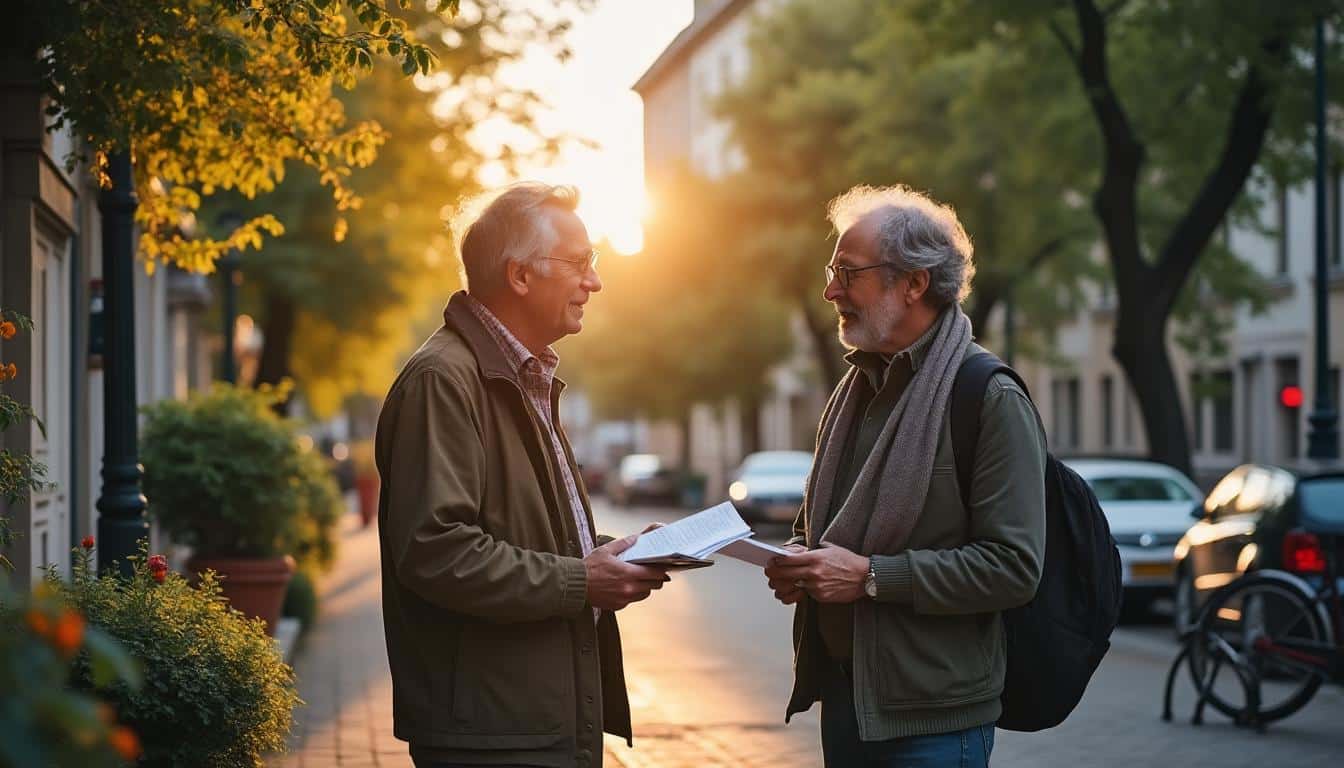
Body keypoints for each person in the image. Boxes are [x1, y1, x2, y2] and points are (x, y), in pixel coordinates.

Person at [375, 182, 669, 768]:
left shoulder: (519, 375)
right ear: (519, 276)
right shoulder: (444, 381)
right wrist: (582, 581)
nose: (595, 282)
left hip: (525, 724)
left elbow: (522, 536)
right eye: (579, 263)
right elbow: (436, 552)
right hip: (492, 735)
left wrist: (606, 557)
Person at [764, 185, 1047, 767]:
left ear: (914, 282)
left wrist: (871, 578)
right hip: (847, 700)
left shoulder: (987, 397)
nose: (830, 290)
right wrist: (800, 560)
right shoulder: (855, 390)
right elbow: (818, 526)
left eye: (848, 272)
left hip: (936, 721)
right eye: (831, 270)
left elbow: (1014, 568)